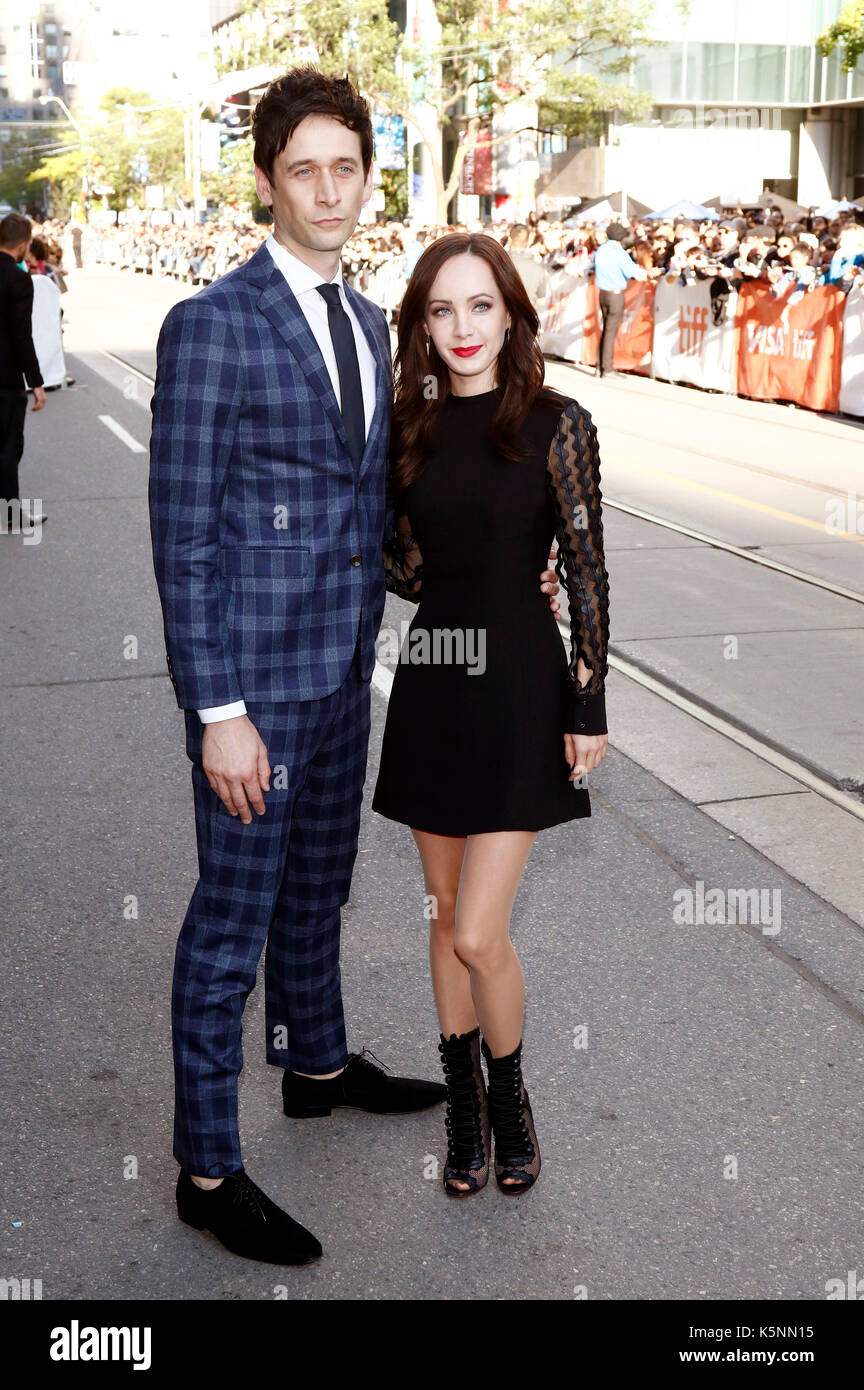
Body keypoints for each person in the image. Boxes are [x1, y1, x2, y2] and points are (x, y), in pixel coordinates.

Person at [148, 66, 561, 1267]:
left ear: (367, 181)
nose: (326, 189)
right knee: (229, 927)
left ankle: (316, 1063)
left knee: (317, 895)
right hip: (253, 696)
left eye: (345, 168)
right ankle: (205, 1167)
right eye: (302, 170)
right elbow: (183, 538)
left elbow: (377, 516)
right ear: (267, 183)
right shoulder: (214, 323)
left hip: (342, 684)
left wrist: (497, 578)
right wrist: (217, 708)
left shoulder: (370, 321)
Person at [372, 232, 610, 1198]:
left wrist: (586, 700)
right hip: (433, 673)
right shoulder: (409, 428)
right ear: (422, 327)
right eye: (441, 310)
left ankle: (509, 1098)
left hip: (519, 679)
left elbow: (588, 565)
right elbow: (402, 568)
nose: (462, 328)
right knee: (441, 919)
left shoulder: (559, 424)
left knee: (478, 930)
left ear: (511, 313)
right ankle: (462, 1110)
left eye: (480, 306)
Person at [0, 213, 47, 532]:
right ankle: (8, 517)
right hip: (5, 379)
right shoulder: (17, 280)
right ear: (24, 245)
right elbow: (21, 335)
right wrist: (37, 382)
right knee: (7, 448)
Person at [590, 221, 645, 378]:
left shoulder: (601, 250)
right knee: (610, 331)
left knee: (606, 329)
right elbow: (634, 272)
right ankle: (606, 368)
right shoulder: (619, 252)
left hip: (603, 293)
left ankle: (600, 366)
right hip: (615, 294)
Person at [506, 223, 550, 309]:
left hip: (503, 318)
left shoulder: (497, 263)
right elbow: (542, 299)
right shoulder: (538, 268)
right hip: (528, 317)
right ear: (528, 242)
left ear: (509, 240)